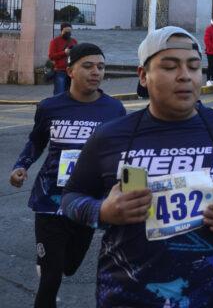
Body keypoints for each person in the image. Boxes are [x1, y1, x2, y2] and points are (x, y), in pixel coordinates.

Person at [61, 27, 213, 307]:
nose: (185, 76)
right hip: (125, 296)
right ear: (143, 75)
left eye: (194, 66)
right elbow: (70, 198)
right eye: (169, 66)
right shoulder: (110, 136)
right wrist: (103, 211)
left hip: (206, 297)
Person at [10, 44, 126, 308]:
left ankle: (53, 261)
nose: (96, 72)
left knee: (70, 266)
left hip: (87, 202)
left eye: (100, 66)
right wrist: (21, 166)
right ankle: (48, 267)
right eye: (88, 66)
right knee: (51, 279)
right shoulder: (50, 107)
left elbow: (118, 154)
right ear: (70, 70)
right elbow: (36, 141)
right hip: (49, 202)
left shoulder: (114, 110)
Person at [48, 23, 77, 95]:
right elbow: (51, 56)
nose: (68, 33)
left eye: (69, 31)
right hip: (60, 71)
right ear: (61, 31)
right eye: (66, 31)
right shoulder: (55, 41)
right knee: (59, 92)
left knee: (72, 93)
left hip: (72, 71)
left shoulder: (74, 41)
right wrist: (64, 53)